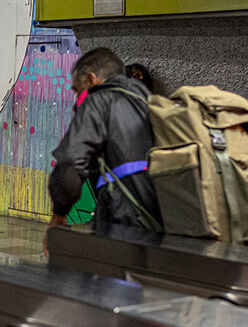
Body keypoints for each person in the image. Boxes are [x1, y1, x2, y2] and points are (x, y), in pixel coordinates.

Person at [48, 47, 162, 239]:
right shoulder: (146, 100)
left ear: (91, 79)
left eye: (78, 89)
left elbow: (70, 168)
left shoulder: (97, 101)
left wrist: (58, 216)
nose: (78, 97)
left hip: (120, 219)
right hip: (159, 218)